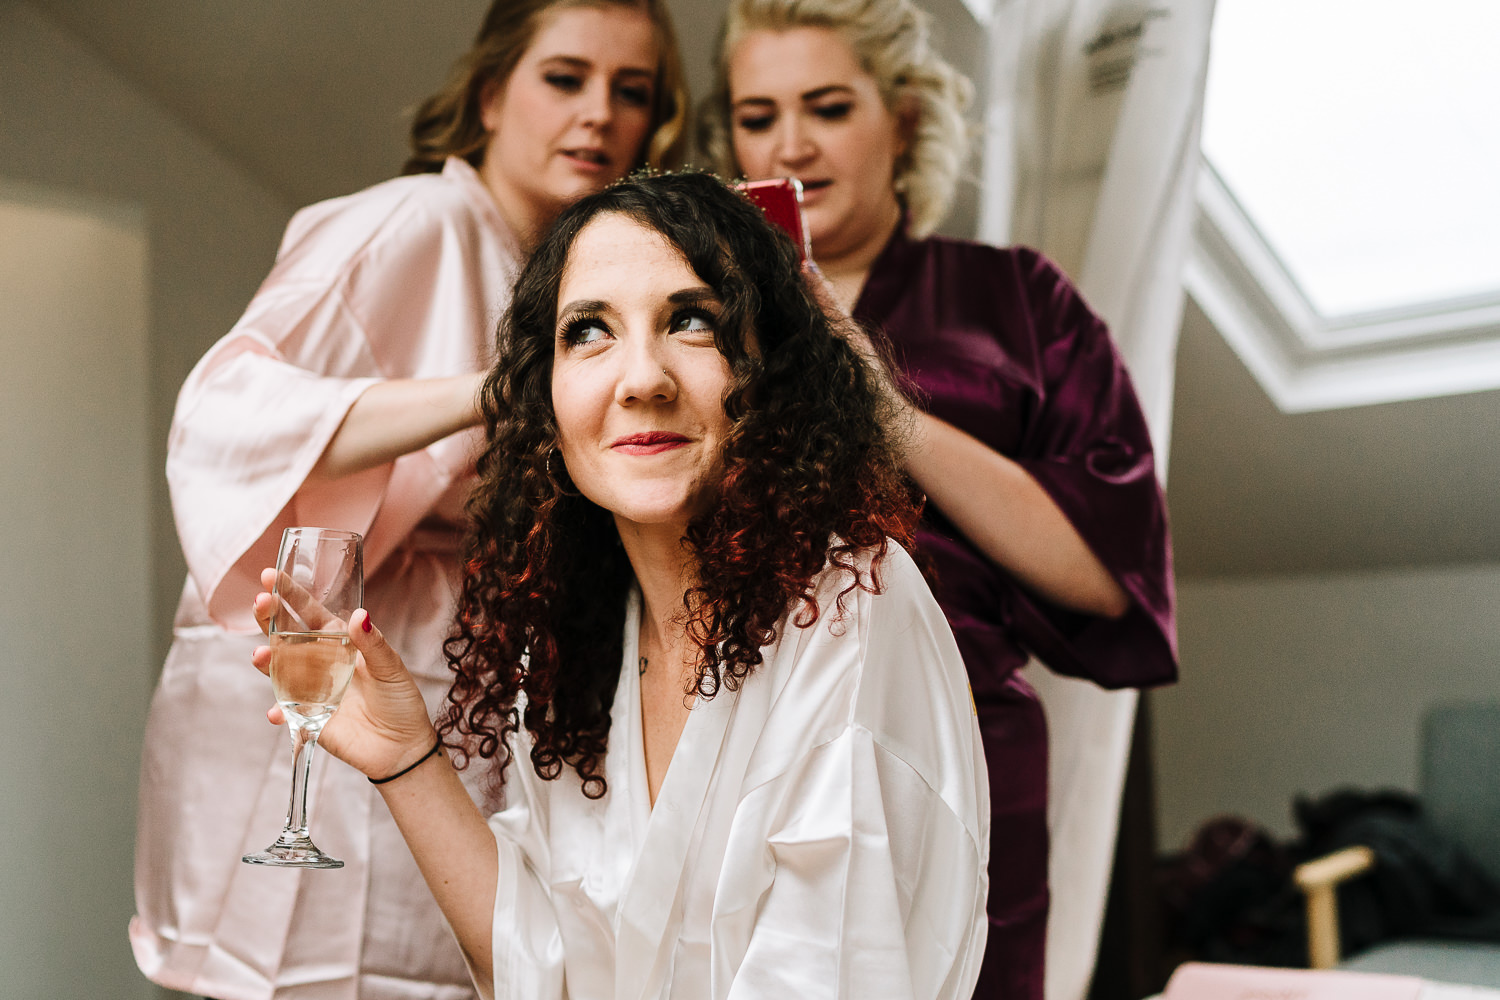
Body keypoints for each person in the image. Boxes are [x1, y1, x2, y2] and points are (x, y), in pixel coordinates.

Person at [248, 171, 991, 999]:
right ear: (544, 399)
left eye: (694, 321)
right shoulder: (583, 643)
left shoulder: (853, 605)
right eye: (589, 332)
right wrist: (406, 758)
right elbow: (543, 970)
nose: (642, 378)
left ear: (774, 370)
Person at [130, 3, 687, 998]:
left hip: (455, 703)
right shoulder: (414, 223)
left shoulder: (569, 277)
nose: (599, 114)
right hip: (329, 703)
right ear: (490, 94)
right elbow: (226, 412)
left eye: (631, 89)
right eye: (565, 78)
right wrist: (487, 396)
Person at [700, 1, 1179, 996]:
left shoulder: (1017, 303)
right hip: (731, 759)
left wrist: (886, 410)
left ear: (904, 119)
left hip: (966, 761)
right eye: (758, 114)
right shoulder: (692, 315)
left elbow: (1109, 572)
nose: (791, 143)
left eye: (828, 106)